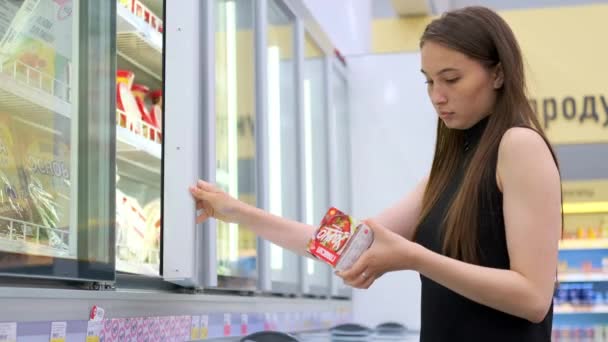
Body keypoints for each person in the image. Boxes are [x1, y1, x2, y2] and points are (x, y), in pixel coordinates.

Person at [189, 6, 561, 341]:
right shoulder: (449, 168)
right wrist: (237, 212)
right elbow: (341, 243)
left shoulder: (519, 146)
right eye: (429, 81)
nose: (437, 96)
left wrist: (415, 257)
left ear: (497, 74)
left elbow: (532, 298)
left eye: (451, 79)